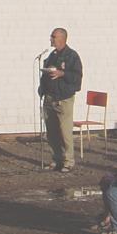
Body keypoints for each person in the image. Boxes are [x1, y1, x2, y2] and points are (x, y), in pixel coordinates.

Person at [38, 28, 82, 172]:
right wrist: (42, 88)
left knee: (65, 131)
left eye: (53, 36)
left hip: (64, 98)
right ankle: (56, 159)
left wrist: (62, 73)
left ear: (62, 38)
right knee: (52, 132)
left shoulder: (72, 56)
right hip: (50, 97)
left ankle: (68, 161)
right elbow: (46, 73)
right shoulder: (52, 55)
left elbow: (77, 77)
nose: (51, 39)